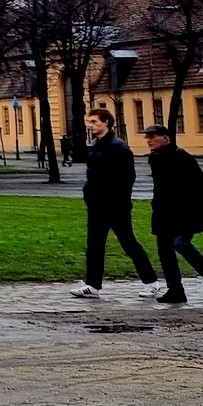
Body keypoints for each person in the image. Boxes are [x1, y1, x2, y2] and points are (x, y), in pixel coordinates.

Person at [69, 109, 159, 300]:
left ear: (106, 123)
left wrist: (116, 202)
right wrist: (89, 194)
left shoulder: (119, 148)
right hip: (96, 205)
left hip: (115, 207)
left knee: (129, 243)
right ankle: (93, 285)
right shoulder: (96, 145)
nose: (90, 125)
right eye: (89, 122)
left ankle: (151, 282)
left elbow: (127, 179)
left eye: (94, 122)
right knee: (94, 245)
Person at [142, 124, 203, 302]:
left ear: (166, 138)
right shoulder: (155, 158)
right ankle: (175, 290)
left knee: (180, 243)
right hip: (164, 213)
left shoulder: (181, 157)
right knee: (164, 250)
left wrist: (197, 213)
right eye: (147, 137)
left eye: (153, 137)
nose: (149, 140)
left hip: (184, 213)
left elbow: (200, 185)